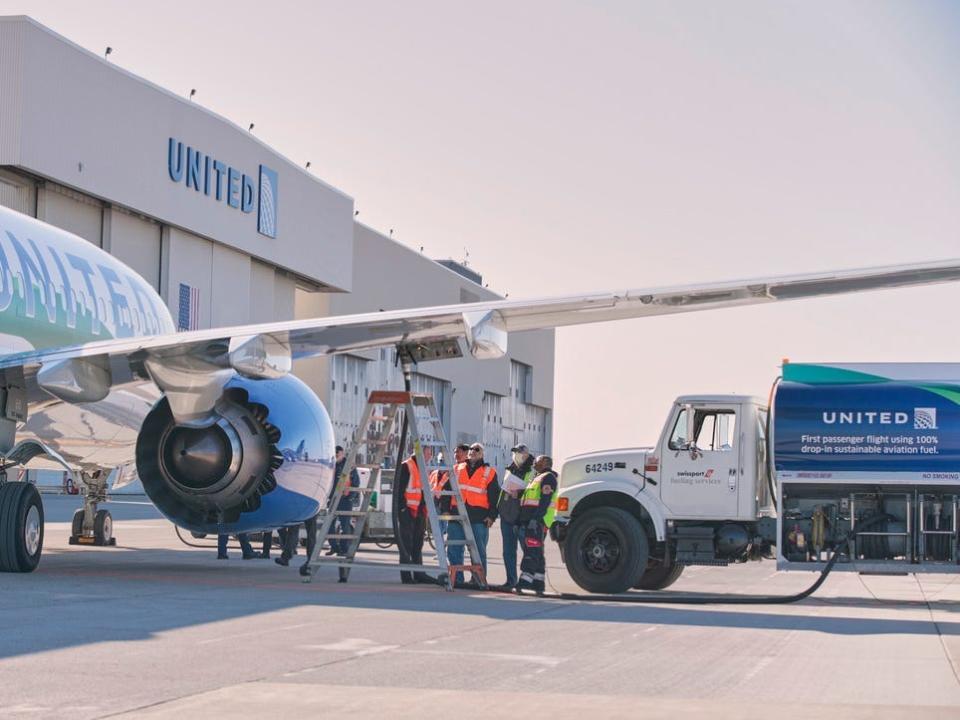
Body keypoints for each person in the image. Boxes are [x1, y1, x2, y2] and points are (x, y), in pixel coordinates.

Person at [278, 445, 346, 567]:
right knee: (294, 530)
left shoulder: (341, 468)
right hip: (304, 500)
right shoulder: (321, 468)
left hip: (313, 502)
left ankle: (309, 559)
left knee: (310, 533)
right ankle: (287, 556)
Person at [447, 442, 498, 587]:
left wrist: (492, 516)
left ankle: (478, 580)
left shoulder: (489, 472)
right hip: (457, 516)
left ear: (482, 454)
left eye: (477, 450)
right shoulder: (457, 469)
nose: (473, 451)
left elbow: (495, 497)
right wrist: (445, 510)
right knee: (454, 548)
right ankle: (457, 579)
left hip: (478, 518)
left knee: (478, 550)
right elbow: (446, 489)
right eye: (471, 449)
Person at [516, 455, 558, 596]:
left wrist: (536, 519)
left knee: (532, 551)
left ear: (545, 463)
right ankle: (538, 582)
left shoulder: (548, 478)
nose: (534, 463)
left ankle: (525, 581)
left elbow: (545, 501)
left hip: (537, 522)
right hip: (531, 521)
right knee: (537, 552)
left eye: (537, 461)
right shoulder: (537, 477)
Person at [496, 443, 536, 590]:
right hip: (506, 516)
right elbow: (502, 491)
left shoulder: (532, 472)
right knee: (508, 552)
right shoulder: (509, 470)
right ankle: (511, 580)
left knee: (527, 552)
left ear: (526, 455)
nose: (516, 455)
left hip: (522, 518)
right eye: (514, 452)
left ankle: (527, 581)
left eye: (519, 453)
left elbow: (533, 493)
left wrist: (519, 493)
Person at [395, 445, 437, 584]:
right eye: (428, 453)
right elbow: (399, 490)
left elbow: (423, 489)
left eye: (430, 453)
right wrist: (402, 509)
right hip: (408, 511)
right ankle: (406, 576)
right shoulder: (407, 466)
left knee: (417, 544)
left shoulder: (423, 468)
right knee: (406, 544)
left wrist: (425, 508)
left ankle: (419, 574)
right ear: (420, 453)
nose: (430, 456)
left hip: (419, 511)